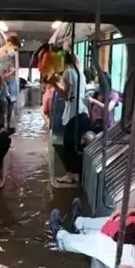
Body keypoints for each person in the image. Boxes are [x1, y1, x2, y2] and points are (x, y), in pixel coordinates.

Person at [48, 51, 90, 185]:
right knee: (76, 145)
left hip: (73, 113)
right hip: (83, 111)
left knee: (68, 145)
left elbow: (67, 95)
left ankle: (70, 175)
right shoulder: (80, 74)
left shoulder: (68, 72)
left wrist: (54, 84)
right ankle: (76, 174)